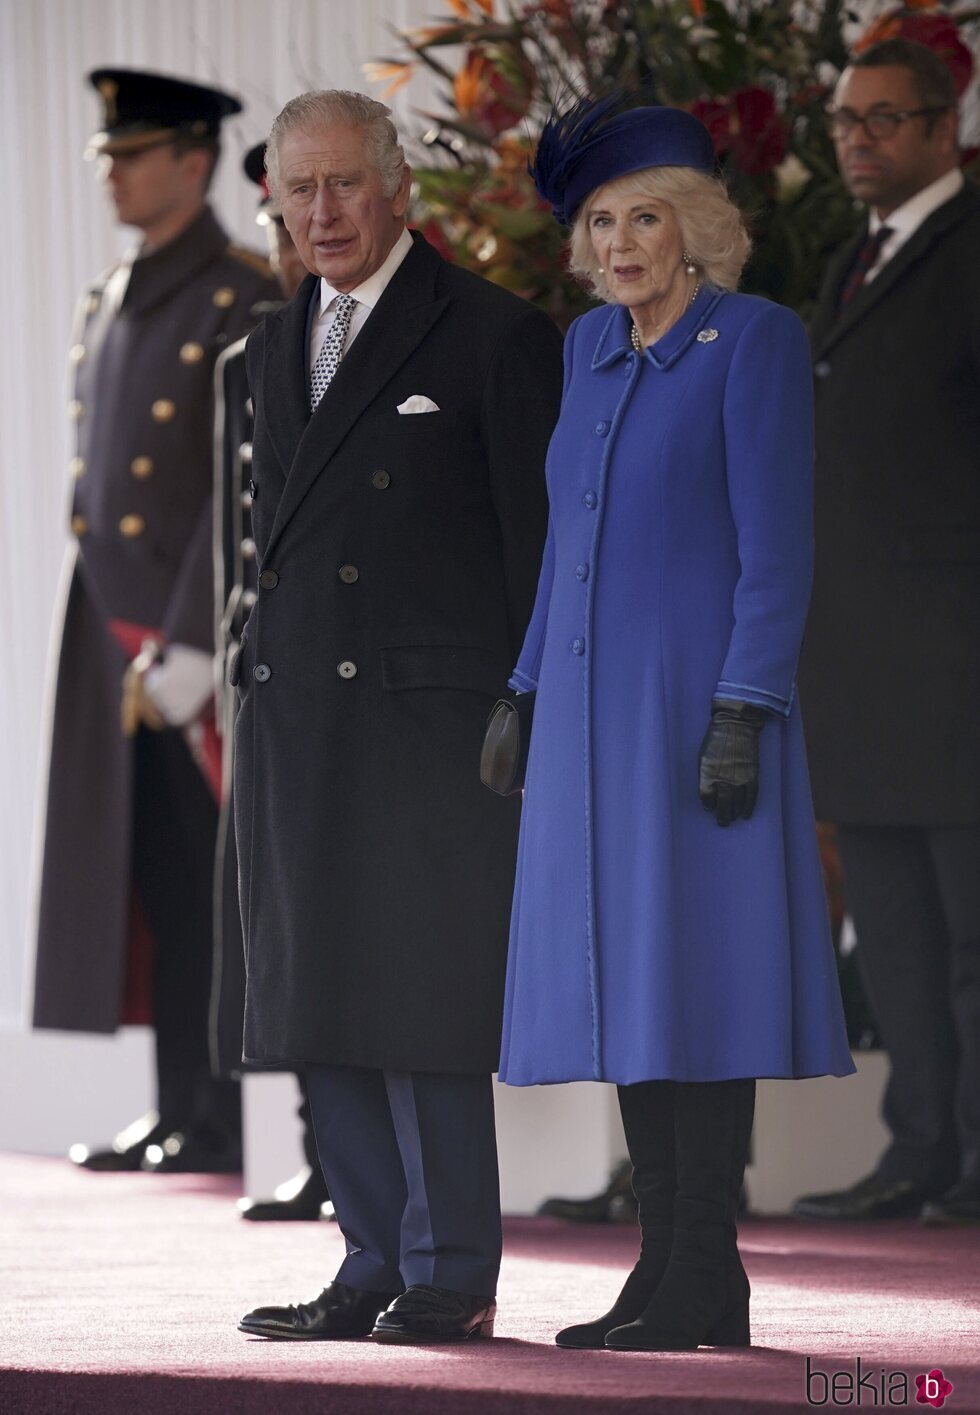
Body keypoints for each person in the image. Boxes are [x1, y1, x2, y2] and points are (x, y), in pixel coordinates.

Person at [496, 95, 855, 1352]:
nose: (618, 241)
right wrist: (523, 687)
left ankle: (708, 1264)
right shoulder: (587, 352)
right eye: (599, 221)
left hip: (698, 717)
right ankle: (666, 1267)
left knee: (701, 982)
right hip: (593, 726)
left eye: (643, 215)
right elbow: (564, 550)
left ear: (697, 229)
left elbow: (777, 552)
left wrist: (744, 708)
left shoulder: (748, 341)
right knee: (631, 989)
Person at [234, 89, 562, 1343]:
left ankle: (449, 1266)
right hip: (301, 722)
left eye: (343, 186)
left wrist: (526, 707)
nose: (320, 213)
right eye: (297, 189)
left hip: (435, 733)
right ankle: (368, 1255)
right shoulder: (273, 344)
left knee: (423, 1005)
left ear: (397, 188)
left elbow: (534, 551)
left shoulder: (491, 334)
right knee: (321, 997)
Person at [32, 69, 280, 1174]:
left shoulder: (240, 289)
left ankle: (222, 1113)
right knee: (149, 880)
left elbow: (238, 486)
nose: (115, 173)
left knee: (213, 881)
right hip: (111, 630)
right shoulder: (109, 294)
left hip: (190, 638)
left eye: (134, 154)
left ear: (194, 159)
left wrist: (192, 639)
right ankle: (178, 1103)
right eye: (109, 155)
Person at [792, 39, 980, 1226]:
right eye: (843, 122)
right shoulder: (852, 261)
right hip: (860, 663)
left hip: (957, 660)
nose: (856, 140)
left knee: (972, 939)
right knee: (899, 940)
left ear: (942, 125)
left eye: (881, 120)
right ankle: (917, 1150)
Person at [211, 142, 330, 1222]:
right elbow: (232, 538)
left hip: (347, 680)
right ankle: (315, 1142)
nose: (285, 242)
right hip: (267, 678)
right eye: (277, 222)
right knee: (275, 928)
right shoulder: (252, 353)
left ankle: (353, 1159)